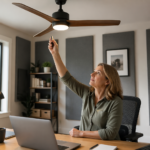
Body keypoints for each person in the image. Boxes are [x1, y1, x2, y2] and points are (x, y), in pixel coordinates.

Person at [48, 37, 123, 140]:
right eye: (94, 71)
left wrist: (81, 133)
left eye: (98, 73)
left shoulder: (115, 102)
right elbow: (66, 78)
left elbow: (110, 133)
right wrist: (54, 53)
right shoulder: (86, 93)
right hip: (85, 144)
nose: (92, 74)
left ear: (107, 81)